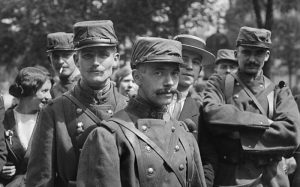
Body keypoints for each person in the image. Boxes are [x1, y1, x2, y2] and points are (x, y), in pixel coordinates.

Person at [77, 37, 207, 187]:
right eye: (159, 73)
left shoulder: (184, 135)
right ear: (137, 77)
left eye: (174, 74)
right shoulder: (109, 137)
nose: (169, 82)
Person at [26, 20, 128, 187]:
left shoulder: (129, 109)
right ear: (76, 59)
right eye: (88, 55)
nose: (96, 62)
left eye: (103, 54)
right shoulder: (54, 112)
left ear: (115, 59)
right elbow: (40, 179)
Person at [203, 26, 300, 186]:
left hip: (271, 180)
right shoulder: (218, 84)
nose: (252, 59)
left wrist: (233, 131)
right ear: (236, 54)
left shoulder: (279, 91)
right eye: (246, 52)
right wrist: (264, 122)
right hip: (231, 179)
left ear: (267, 55)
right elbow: (212, 113)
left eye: (259, 53)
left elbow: (292, 134)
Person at [173, 34, 217, 187]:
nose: (190, 66)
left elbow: (208, 160)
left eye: (196, 62)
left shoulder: (203, 110)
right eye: (184, 59)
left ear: (200, 70)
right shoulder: (150, 102)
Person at [0, 67, 52, 187]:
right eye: (44, 91)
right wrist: (3, 170)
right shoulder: (4, 120)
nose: (49, 96)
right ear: (29, 92)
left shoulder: (49, 119)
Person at [47, 32, 81, 98]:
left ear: (77, 58)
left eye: (66, 55)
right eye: (56, 56)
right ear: (49, 60)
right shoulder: (51, 91)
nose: (60, 61)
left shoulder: (89, 86)